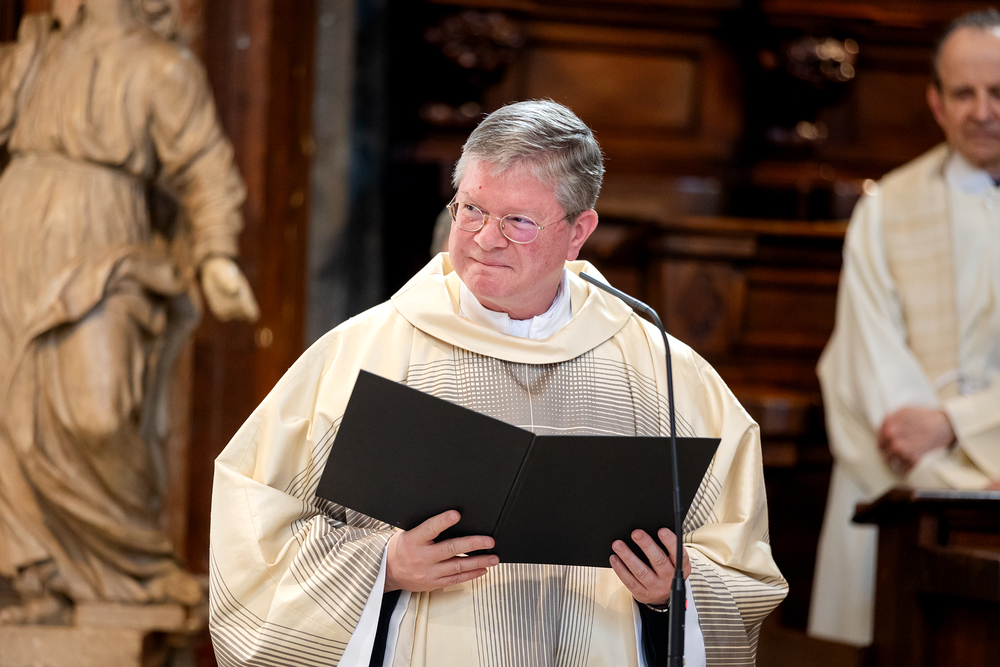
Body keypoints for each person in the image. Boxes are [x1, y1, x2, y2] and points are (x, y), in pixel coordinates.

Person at [210, 100, 786, 667]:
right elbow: (253, 533)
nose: (485, 238)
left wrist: (675, 591)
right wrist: (383, 566)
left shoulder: (662, 372)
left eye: (518, 221)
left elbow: (739, 565)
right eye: (471, 210)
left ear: (579, 231)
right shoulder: (365, 353)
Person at [0, 0, 257, 622]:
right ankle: (36, 574)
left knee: (99, 415)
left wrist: (216, 255)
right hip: (14, 239)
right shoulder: (32, 54)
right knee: (10, 408)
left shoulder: (161, 66)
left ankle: (134, 564)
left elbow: (205, 168)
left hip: (104, 245)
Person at [808, 8, 1000, 647]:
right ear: (936, 102)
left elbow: (938, 422)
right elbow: (871, 360)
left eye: (997, 91)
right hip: (901, 483)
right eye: (964, 93)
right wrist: (963, 486)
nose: (982, 111)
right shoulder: (887, 207)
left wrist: (957, 423)